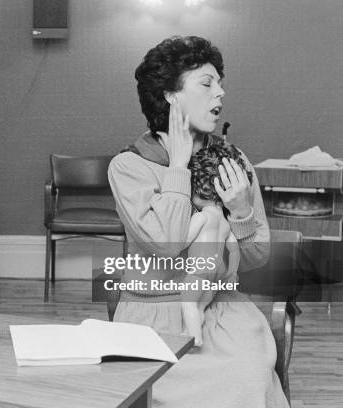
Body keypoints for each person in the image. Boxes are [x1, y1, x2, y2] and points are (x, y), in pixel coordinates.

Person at [108, 36, 288, 407]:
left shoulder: (234, 162)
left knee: (244, 377)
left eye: (220, 82)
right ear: (171, 96)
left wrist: (240, 213)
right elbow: (167, 244)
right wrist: (178, 167)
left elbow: (256, 258)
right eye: (206, 83)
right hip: (151, 318)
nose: (220, 93)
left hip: (222, 313)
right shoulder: (128, 166)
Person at [181, 140, 253, 347]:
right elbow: (233, 249)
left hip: (199, 269)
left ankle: (193, 339)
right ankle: (193, 330)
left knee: (188, 304)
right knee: (200, 307)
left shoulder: (202, 217)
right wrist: (231, 274)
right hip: (216, 272)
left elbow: (183, 241)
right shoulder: (224, 223)